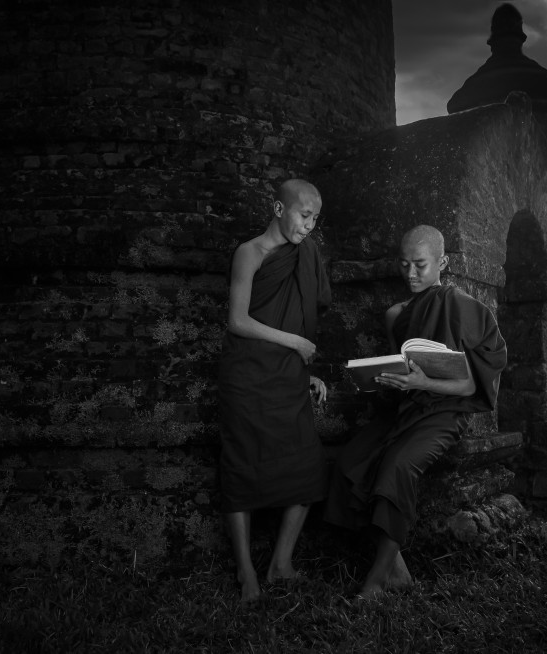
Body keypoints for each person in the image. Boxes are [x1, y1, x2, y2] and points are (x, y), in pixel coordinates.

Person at [323, 224, 507, 599]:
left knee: (397, 466)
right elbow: (404, 365)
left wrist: (422, 383)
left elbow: (468, 386)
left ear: (443, 262)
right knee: (349, 462)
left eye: (420, 265)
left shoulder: (458, 306)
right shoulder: (396, 314)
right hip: (405, 408)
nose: (410, 274)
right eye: (404, 264)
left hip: (444, 414)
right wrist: (383, 379)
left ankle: (376, 582)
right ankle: (398, 571)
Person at [217, 178, 332, 603]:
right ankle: (246, 570)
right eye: (304, 215)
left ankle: (281, 563)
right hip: (246, 377)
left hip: (287, 376)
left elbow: (302, 316)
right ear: (279, 209)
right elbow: (238, 321)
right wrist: (296, 344)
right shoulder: (250, 252)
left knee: (309, 467)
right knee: (241, 465)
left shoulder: (306, 255)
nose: (309, 226)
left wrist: (306, 371)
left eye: (315, 219)